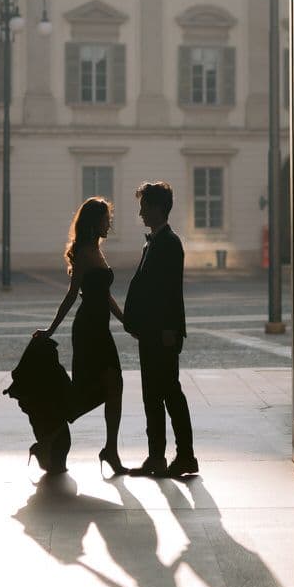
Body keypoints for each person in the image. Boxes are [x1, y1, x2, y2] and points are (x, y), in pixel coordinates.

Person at [30, 196, 126, 476]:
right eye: (106, 219)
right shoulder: (84, 251)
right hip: (87, 331)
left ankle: (110, 450)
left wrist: (126, 321)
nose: (109, 223)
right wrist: (51, 329)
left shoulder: (96, 249)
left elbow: (105, 295)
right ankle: (50, 436)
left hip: (100, 328)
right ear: (94, 222)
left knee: (113, 386)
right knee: (96, 389)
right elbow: (72, 295)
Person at [122, 180, 198, 478]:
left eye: (144, 206)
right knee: (152, 395)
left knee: (169, 393)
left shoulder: (168, 242)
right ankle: (156, 457)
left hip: (162, 334)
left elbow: (169, 292)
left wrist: (168, 330)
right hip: (151, 333)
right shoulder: (153, 241)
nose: (140, 212)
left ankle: (185, 455)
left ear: (156, 208)